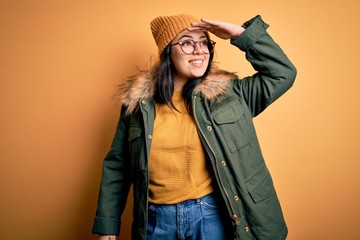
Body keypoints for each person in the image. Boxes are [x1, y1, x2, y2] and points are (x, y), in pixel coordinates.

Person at [92, 13, 297, 240]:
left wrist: (240, 34)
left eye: (204, 42)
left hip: (212, 217)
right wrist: (107, 225)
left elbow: (282, 74)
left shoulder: (231, 94)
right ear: (167, 52)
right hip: (156, 222)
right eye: (187, 42)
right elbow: (118, 165)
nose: (199, 50)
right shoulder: (138, 106)